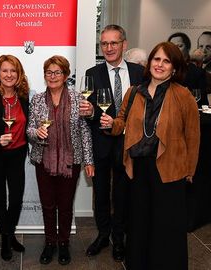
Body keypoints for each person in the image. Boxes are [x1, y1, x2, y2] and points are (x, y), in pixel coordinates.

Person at [109, 42, 200, 270]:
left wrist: (189, 170)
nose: (160, 65)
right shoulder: (134, 93)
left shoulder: (183, 95)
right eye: (156, 59)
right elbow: (121, 121)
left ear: (174, 67)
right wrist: (112, 124)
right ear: (149, 63)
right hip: (138, 169)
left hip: (170, 170)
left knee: (166, 227)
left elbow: (193, 135)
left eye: (166, 61)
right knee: (139, 224)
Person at [79, 24, 144, 262]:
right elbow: (88, 110)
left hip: (130, 144)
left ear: (124, 45)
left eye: (113, 43)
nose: (108, 48)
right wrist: (92, 112)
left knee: (123, 194)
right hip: (102, 144)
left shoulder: (140, 73)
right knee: (101, 194)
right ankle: (103, 235)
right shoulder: (92, 73)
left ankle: (119, 238)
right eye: (104, 43)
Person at [27, 55, 94, 265]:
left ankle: (63, 243)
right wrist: (36, 132)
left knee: (65, 206)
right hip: (43, 160)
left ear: (65, 75)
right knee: (48, 205)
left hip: (70, 161)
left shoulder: (77, 99)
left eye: (57, 72)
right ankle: (50, 243)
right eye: (49, 72)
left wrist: (89, 160)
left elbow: (84, 131)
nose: (52, 76)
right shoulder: (37, 99)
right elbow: (29, 130)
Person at [0, 55, 29, 261]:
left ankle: (9, 233)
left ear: (18, 74)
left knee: (16, 198)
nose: (9, 75)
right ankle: (6, 238)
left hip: (18, 153)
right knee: (0, 198)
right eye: (5, 71)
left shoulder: (24, 96)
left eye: (13, 71)